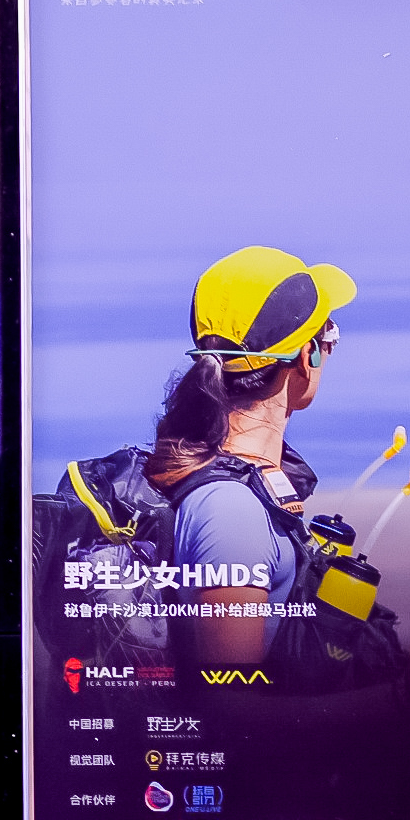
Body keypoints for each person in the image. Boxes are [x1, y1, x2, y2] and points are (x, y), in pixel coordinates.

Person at [150, 246, 354, 671]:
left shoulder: (225, 481)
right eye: (329, 336)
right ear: (307, 356)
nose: (330, 350)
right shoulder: (232, 512)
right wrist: (406, 692)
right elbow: (227, 696)